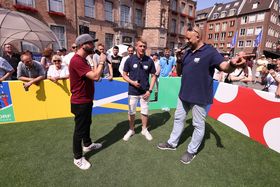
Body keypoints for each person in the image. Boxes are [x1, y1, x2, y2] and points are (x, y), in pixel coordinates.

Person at [157, 25, 245, 164]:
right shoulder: (187, 52)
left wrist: (232, 64)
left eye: (188, 38)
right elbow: (180, 72)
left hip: (200, 97)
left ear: (198, 36)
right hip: (184, 95)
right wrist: (179, 59)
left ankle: (191, 151)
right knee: (178, 119)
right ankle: (172, 143)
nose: (186, 40)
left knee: (197, 125)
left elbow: (224, 67)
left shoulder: (210, 52)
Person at [69, 34, 107, 170]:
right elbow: (96, 76)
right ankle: (77, 157)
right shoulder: (77, 60)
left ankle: (87, 144)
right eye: (90, 43)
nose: (93, 46)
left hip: (85, 100)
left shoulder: (83, 59)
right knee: (79, 130)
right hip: (80, 102)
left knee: (87, 124)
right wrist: (102, 61)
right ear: (82, 45)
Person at [122, 39, 157, 141]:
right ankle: (131, 129)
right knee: (131, 112)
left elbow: (154, 76)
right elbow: (124, 75)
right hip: (132, 92)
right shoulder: (130, 60)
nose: (142, 48)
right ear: (136, 47)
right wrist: (132, 82)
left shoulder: (149, 60)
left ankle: (144, 129)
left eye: (144, 46)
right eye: (140, 46)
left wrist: (149, 91)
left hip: (144, 92)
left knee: (145, 111)